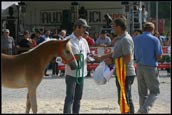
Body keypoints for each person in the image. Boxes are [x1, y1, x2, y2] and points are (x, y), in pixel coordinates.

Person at [94, 18, 136, 113]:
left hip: (126, 73)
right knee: (124, 98)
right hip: (121, 72)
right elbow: (115, 54)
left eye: (113, 26)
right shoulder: (120, 38)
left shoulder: (125, 39)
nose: (112, 28)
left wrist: (112, 61)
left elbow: (127, 58)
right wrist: (102, 57)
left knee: (125, 99)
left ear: (119, 27)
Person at [134, 22, 162, 114]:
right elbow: (159, 56)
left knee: (142, 93)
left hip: (139, 66)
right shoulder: (155, 39)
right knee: (155, 91)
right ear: (152, 30)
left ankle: (143, 110)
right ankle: (143, 110)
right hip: (150, 67)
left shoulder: (136, 39)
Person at [63, 18, 90, 114]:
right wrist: (74, 58)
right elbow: (61, 58)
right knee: (70, 97)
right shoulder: (67, 40)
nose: (85, 30)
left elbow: (88, 54)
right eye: (83, 28)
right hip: (71, 73)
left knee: (78, 98)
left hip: (82, 73)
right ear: (77, 27)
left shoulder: (84, 41)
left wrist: (92, 58)